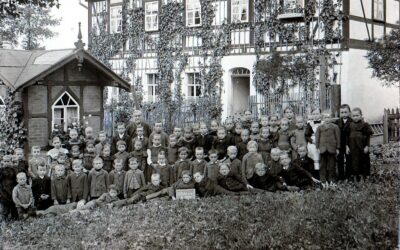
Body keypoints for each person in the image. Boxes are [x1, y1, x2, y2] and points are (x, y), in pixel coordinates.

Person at [345, 107, 373, 182]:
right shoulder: (349, 125)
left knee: (363, 161)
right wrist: (347, 146)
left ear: (361, 115)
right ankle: (354, 177)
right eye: (354, 116)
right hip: (352, 147)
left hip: (362, 147)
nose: (355, 117)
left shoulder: (365, 125)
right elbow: (347, 137)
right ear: (351, 116)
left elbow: (368, 136)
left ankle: (363, 177)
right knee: (353, 162)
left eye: (357, 115)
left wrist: (367, 146)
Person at [315, 111, 340, 187]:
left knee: (332, 165)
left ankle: (332, 180)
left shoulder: (335, 127)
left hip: (332, 148)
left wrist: (337, 148)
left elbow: (338, 138)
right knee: (322, 165)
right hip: (322, 149)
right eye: (325, 117)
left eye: (328, 117)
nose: (327, 119)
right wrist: (317, 147)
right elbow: (317, 138)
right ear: (322, 118)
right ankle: (323, 180)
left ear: (331, 118)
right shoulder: (320, 127)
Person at [336, 104, 352, 181]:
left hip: (349, 144)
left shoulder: (352, 122)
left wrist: (348, 145)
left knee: (349, 159)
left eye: (346, 112)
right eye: (342, 112)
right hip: (340, 143)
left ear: (349, 112)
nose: (344, 114)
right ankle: (341, 176)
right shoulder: (337, 122)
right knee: (340, 159)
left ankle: (348, 175)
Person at [0, 155, 18, 220]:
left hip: (12, 189)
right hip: (4, 190)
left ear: (11, 162)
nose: (6, 163)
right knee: (5, 204)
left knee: (13, 203)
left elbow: (16, 179)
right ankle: (5, 217)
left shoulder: (13, 170)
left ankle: (14, 217)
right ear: (2, 162)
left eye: (8, 161)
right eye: (5, 161)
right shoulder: (1, 170)